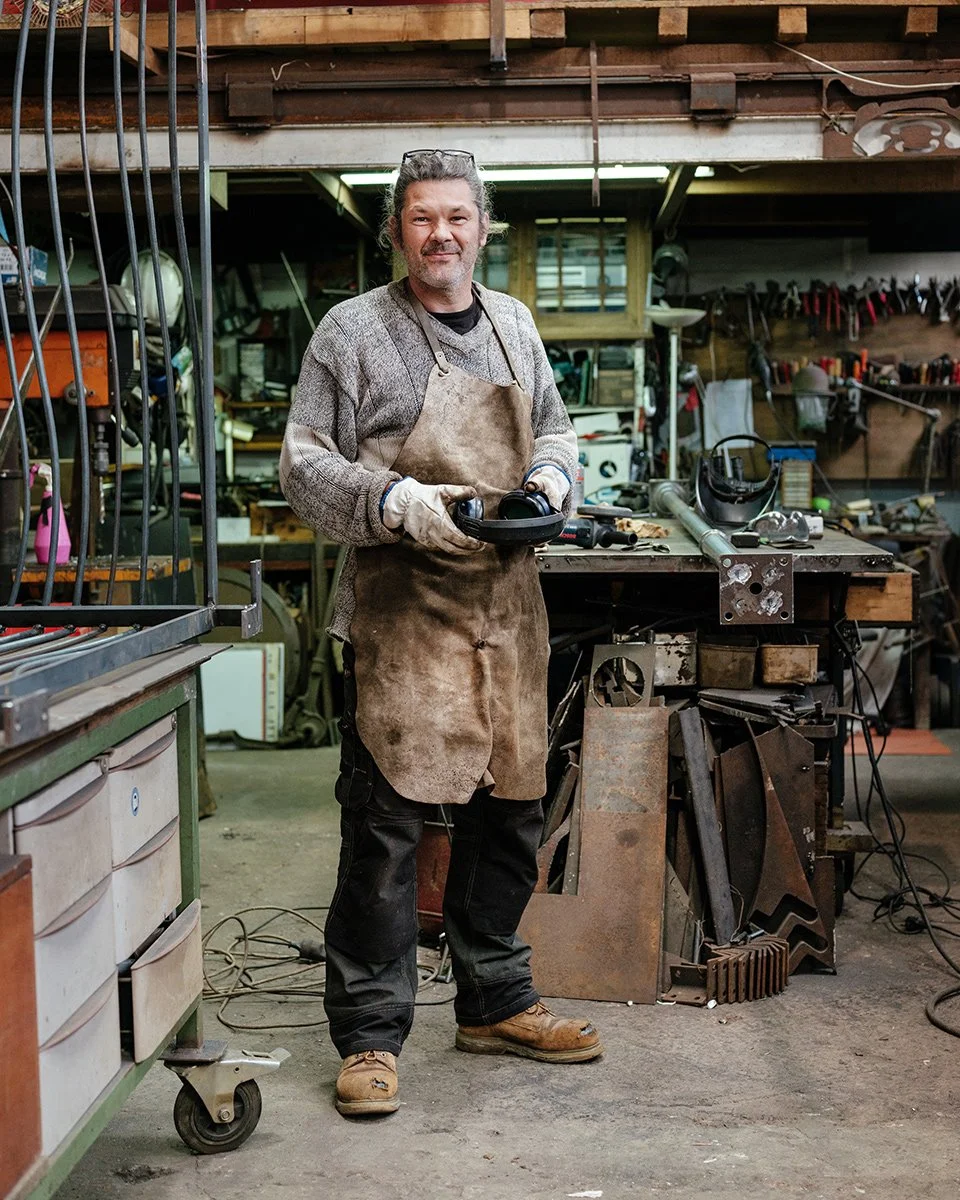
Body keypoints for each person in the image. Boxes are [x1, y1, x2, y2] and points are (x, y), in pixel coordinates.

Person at [280, 148, 603, 1118]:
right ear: (397, 232)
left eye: (458, 217)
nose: (442, 235)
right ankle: (372, 1035)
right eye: (423, 218)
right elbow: (302, 465)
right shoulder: (353, 332)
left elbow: (554, 428)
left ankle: (495, 1000)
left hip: (506, 610)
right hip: (403, 612)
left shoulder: (513, 325)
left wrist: (552, 477)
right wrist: (398, 500)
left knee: (509, 813)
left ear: (483, 225)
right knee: (385, 829)